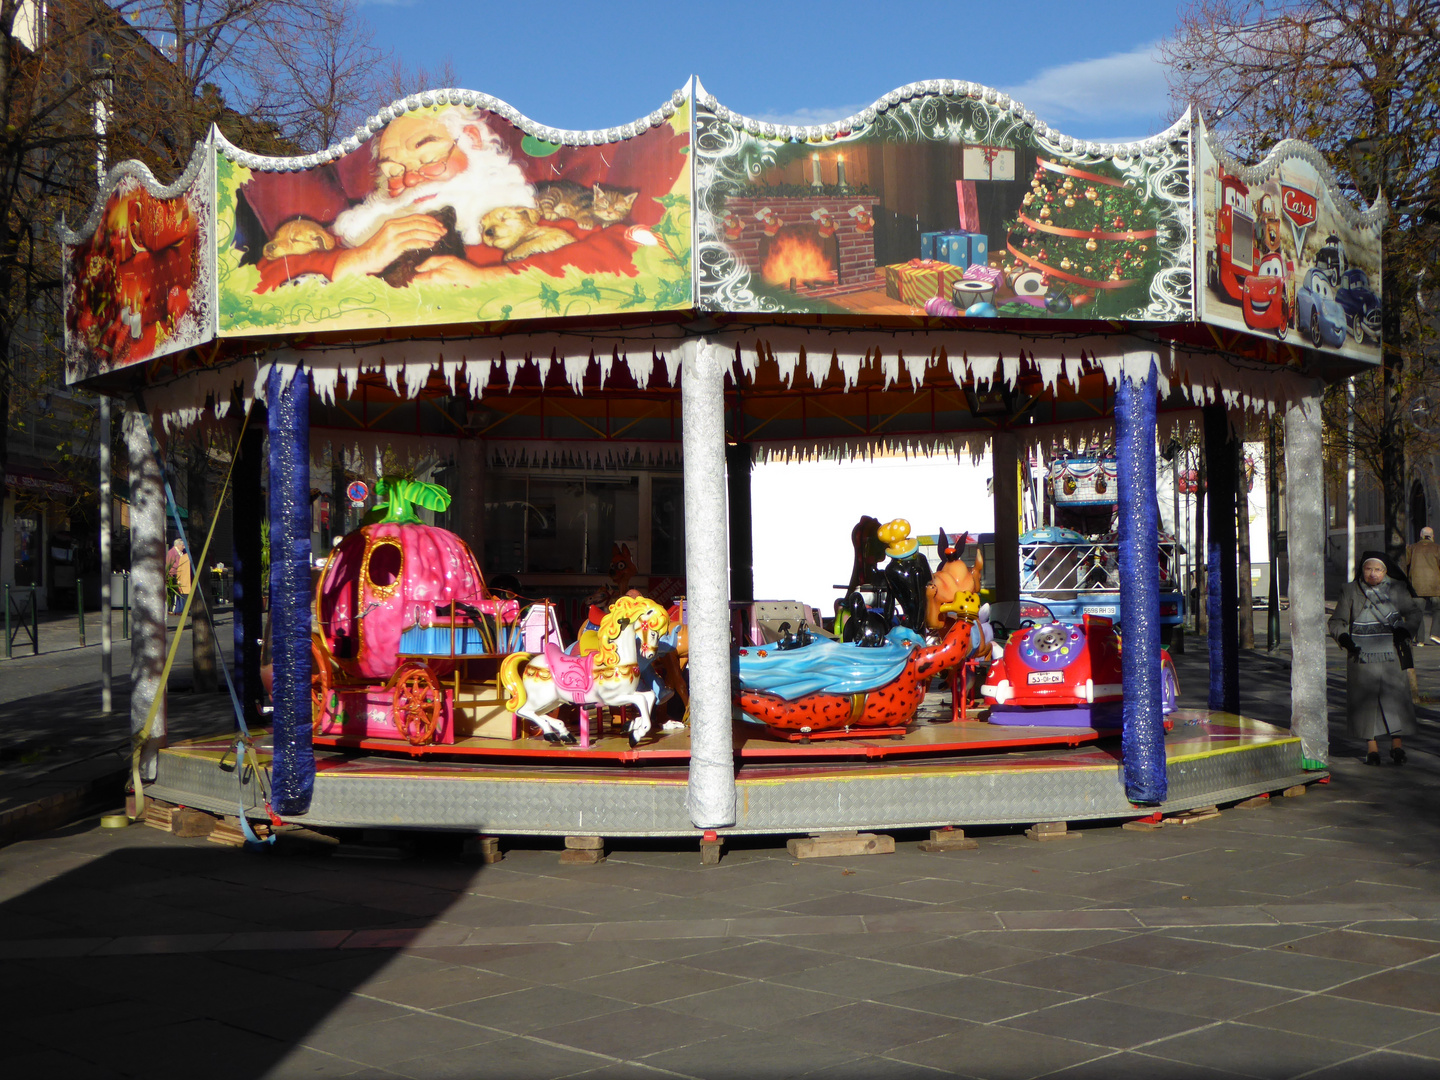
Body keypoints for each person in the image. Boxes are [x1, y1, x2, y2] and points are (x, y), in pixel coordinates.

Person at [1329, 552, 1423, 765]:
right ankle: (1371, 749)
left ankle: (1397, 746)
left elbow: (1415, 614)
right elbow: (1337, 621)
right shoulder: (1351, 591)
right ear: (1362, 570)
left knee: (1394, 700)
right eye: (1368, 569)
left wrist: (1406, 631)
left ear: (1385, 571)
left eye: (1377, 570)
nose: (1372, 574)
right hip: (1361, 655)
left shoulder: (1397, 589)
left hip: (1392, 652)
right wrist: (1343, 638)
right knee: (1366, 703)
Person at [1404, 525, 1440, 645]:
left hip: (1417, 585)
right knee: (1437, 609)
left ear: (1421, 536)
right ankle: (1435, 634)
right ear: (1432, 536)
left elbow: (1406, 563)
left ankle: (1420, 640)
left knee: (1418, 611)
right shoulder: (1437, 548)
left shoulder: (1412, 548)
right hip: (1435, 586)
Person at [164, 538, 191, 614]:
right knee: (177, 593)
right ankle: (175, 609)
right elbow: (170, 564)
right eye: (182, 545)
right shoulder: (172, 552)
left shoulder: (182, 553)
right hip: (174, 575)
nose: (184, 547)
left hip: (181, 575)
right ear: (178, 545)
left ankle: (180, 609)